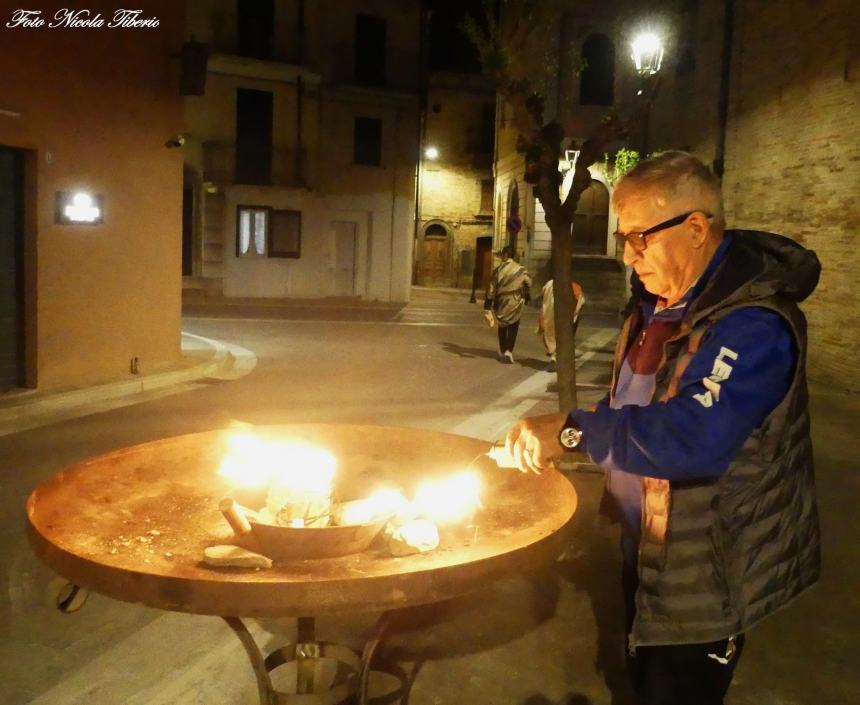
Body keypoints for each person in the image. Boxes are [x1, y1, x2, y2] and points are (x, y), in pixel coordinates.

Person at [504, 152, 821, 704]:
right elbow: (631, 404)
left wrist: (572, 431)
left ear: (695, 228)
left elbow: (688, 438)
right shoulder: (654, 307)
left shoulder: (752, 327)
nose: (629, 254)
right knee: (640, 675)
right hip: (645, 549)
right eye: (624, 238)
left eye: (640, 238)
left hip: (704, 574)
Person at [484, 246, 531, 364]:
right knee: (514, 326)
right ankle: (509, 351)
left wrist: (487, 304)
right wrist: (526, 295)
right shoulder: (521, 269)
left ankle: (503, 348)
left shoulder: (498, 270)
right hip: (516, 300)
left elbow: (491, 288)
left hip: (501, 302)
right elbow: (529, 282)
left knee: (502, 325)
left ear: (504, 255)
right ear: (513, 255)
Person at [537, 279, 586, 371]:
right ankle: (556, 357)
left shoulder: (549, 283)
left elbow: (542, 294)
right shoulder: (574, 287)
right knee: (563, 334)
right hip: (565, 316)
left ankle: (553, 356)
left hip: (549, 314)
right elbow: (579, 302)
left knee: (550, 334)